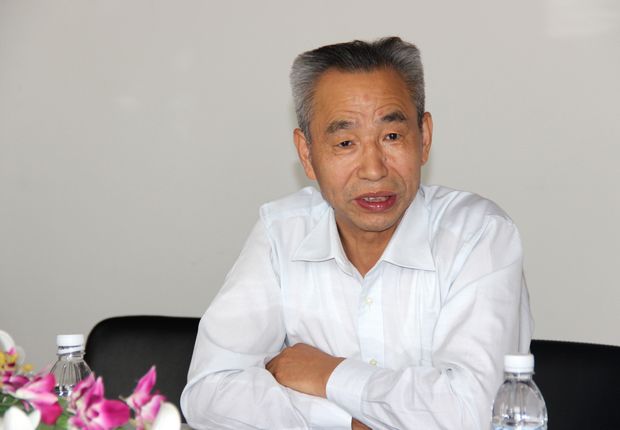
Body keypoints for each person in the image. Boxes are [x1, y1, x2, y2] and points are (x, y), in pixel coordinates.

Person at [181, 36, 533, 429]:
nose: (374, 169)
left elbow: (473, 413)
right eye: (346, 142)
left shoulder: (479, 235)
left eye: (392, 136)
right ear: (307, 154)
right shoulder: (283, 232)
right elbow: (209, 392)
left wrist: (327, 373)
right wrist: (346, 421)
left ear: (424, 138)